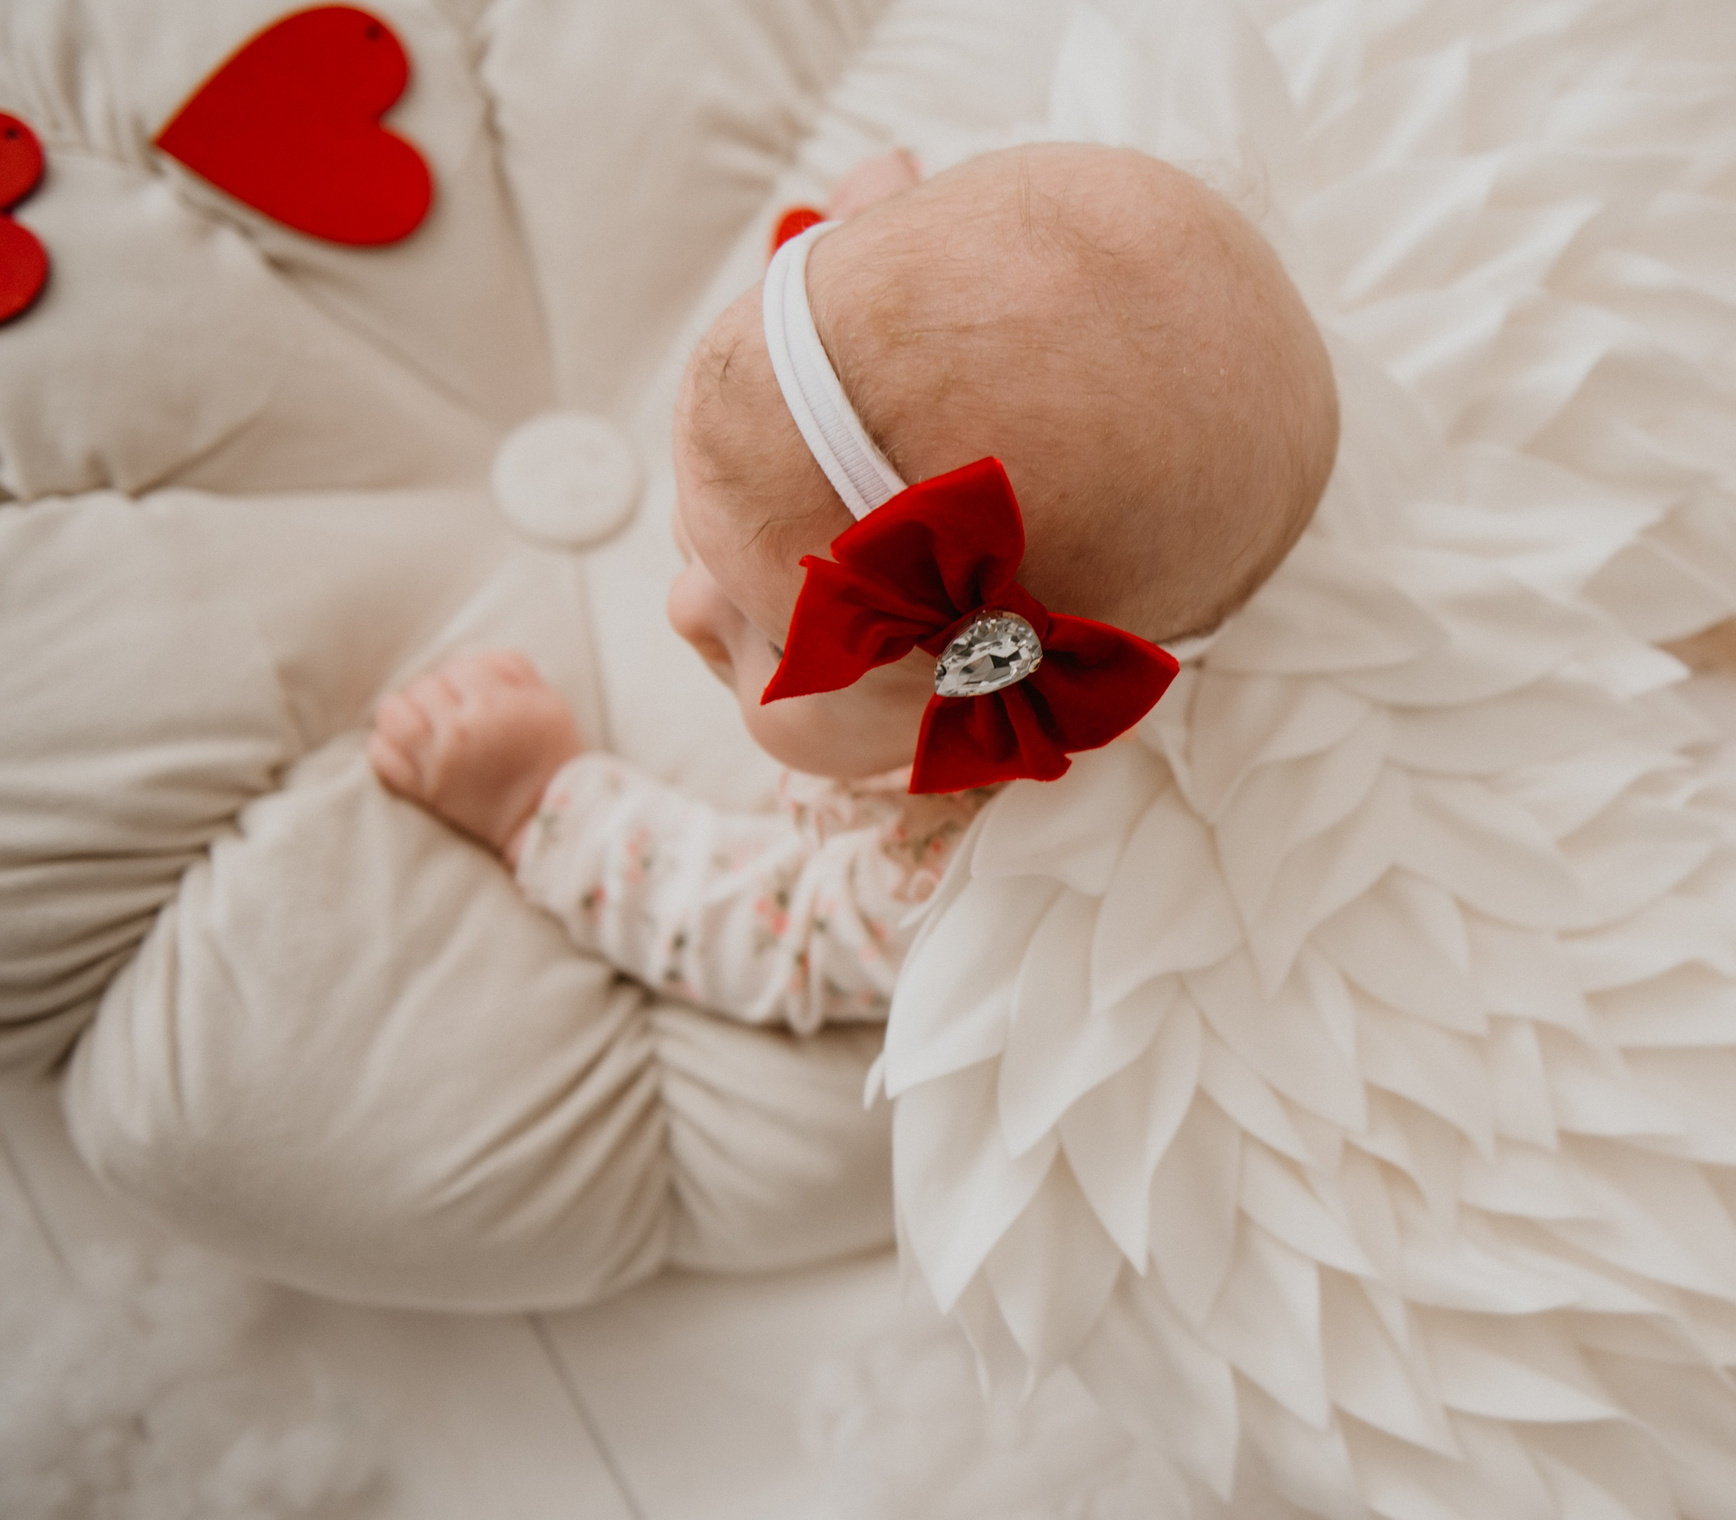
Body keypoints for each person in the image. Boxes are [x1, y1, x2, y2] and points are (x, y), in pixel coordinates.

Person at [367, 142, 1339, 1029]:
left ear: (975, 678)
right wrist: (872, 259)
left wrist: (542, 802)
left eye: (764, 633)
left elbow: (763, 931)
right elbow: (988, 314)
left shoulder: (946, 862)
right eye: (694, 539)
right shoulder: (1041, 392)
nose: (684, 611)